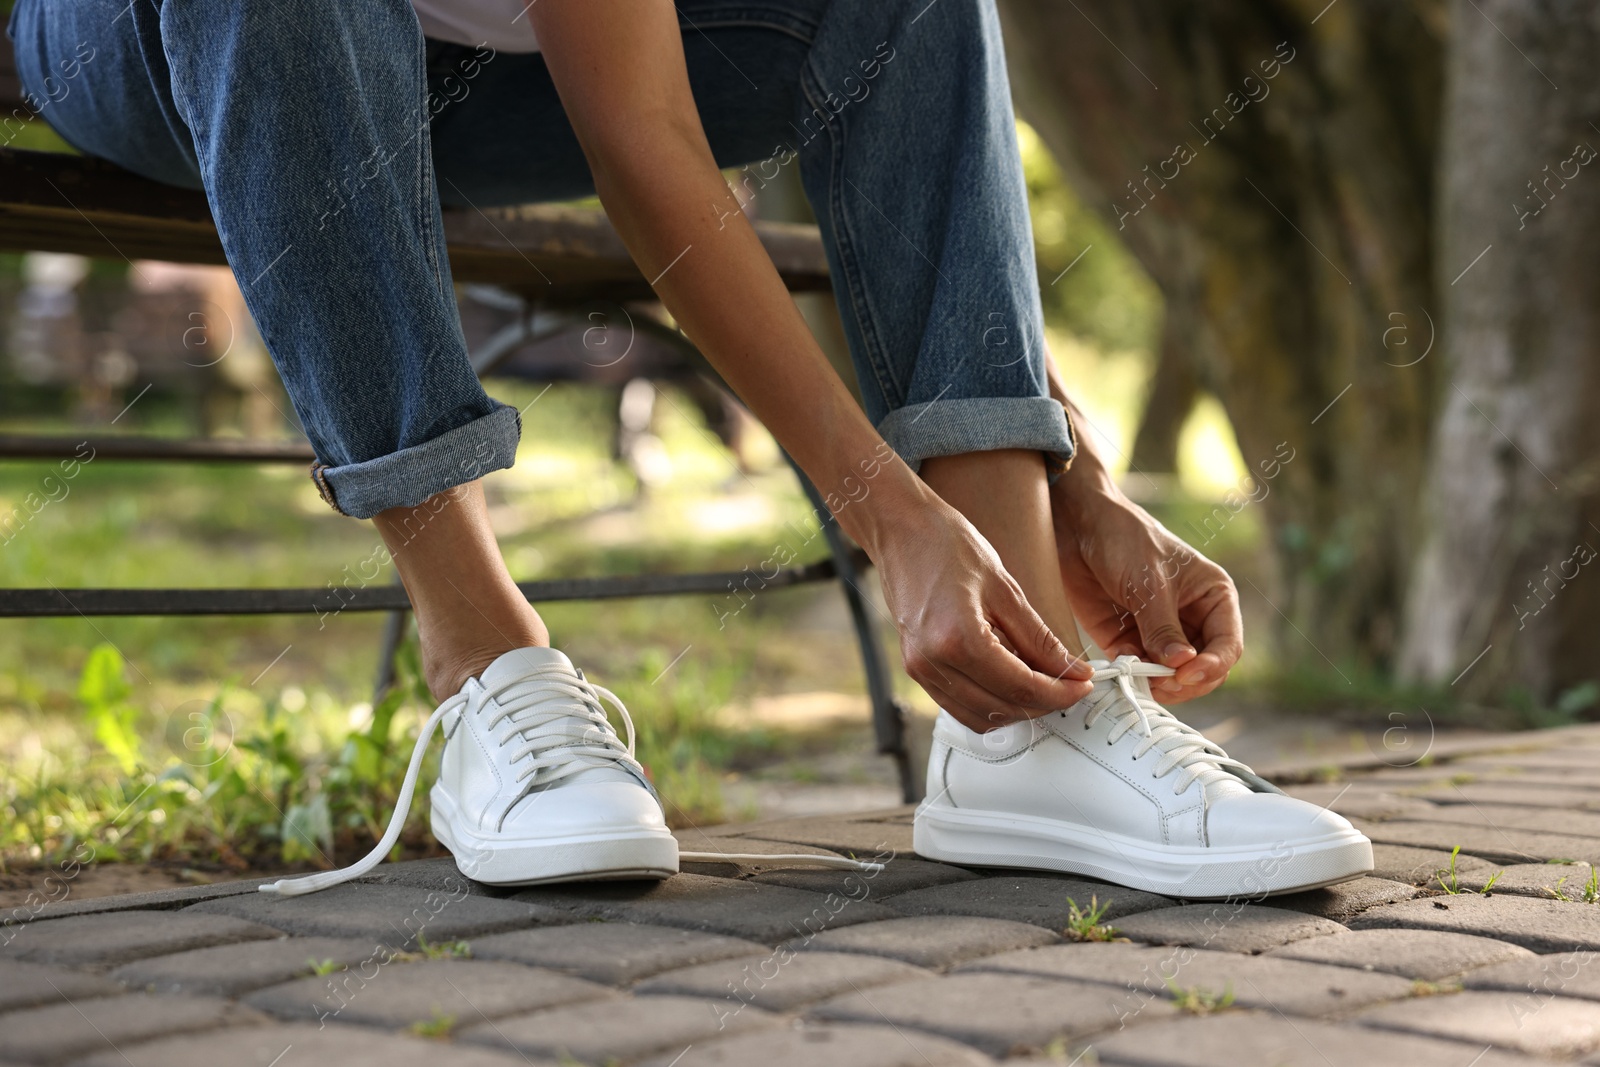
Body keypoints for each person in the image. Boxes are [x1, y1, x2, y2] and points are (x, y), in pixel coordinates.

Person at [9, 0, 1372, 898]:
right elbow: (643, 146)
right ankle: (483, 661)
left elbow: (643, 99)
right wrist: (883, 517)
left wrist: (1076, 471)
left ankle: (1026, 707)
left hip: (467, 71)